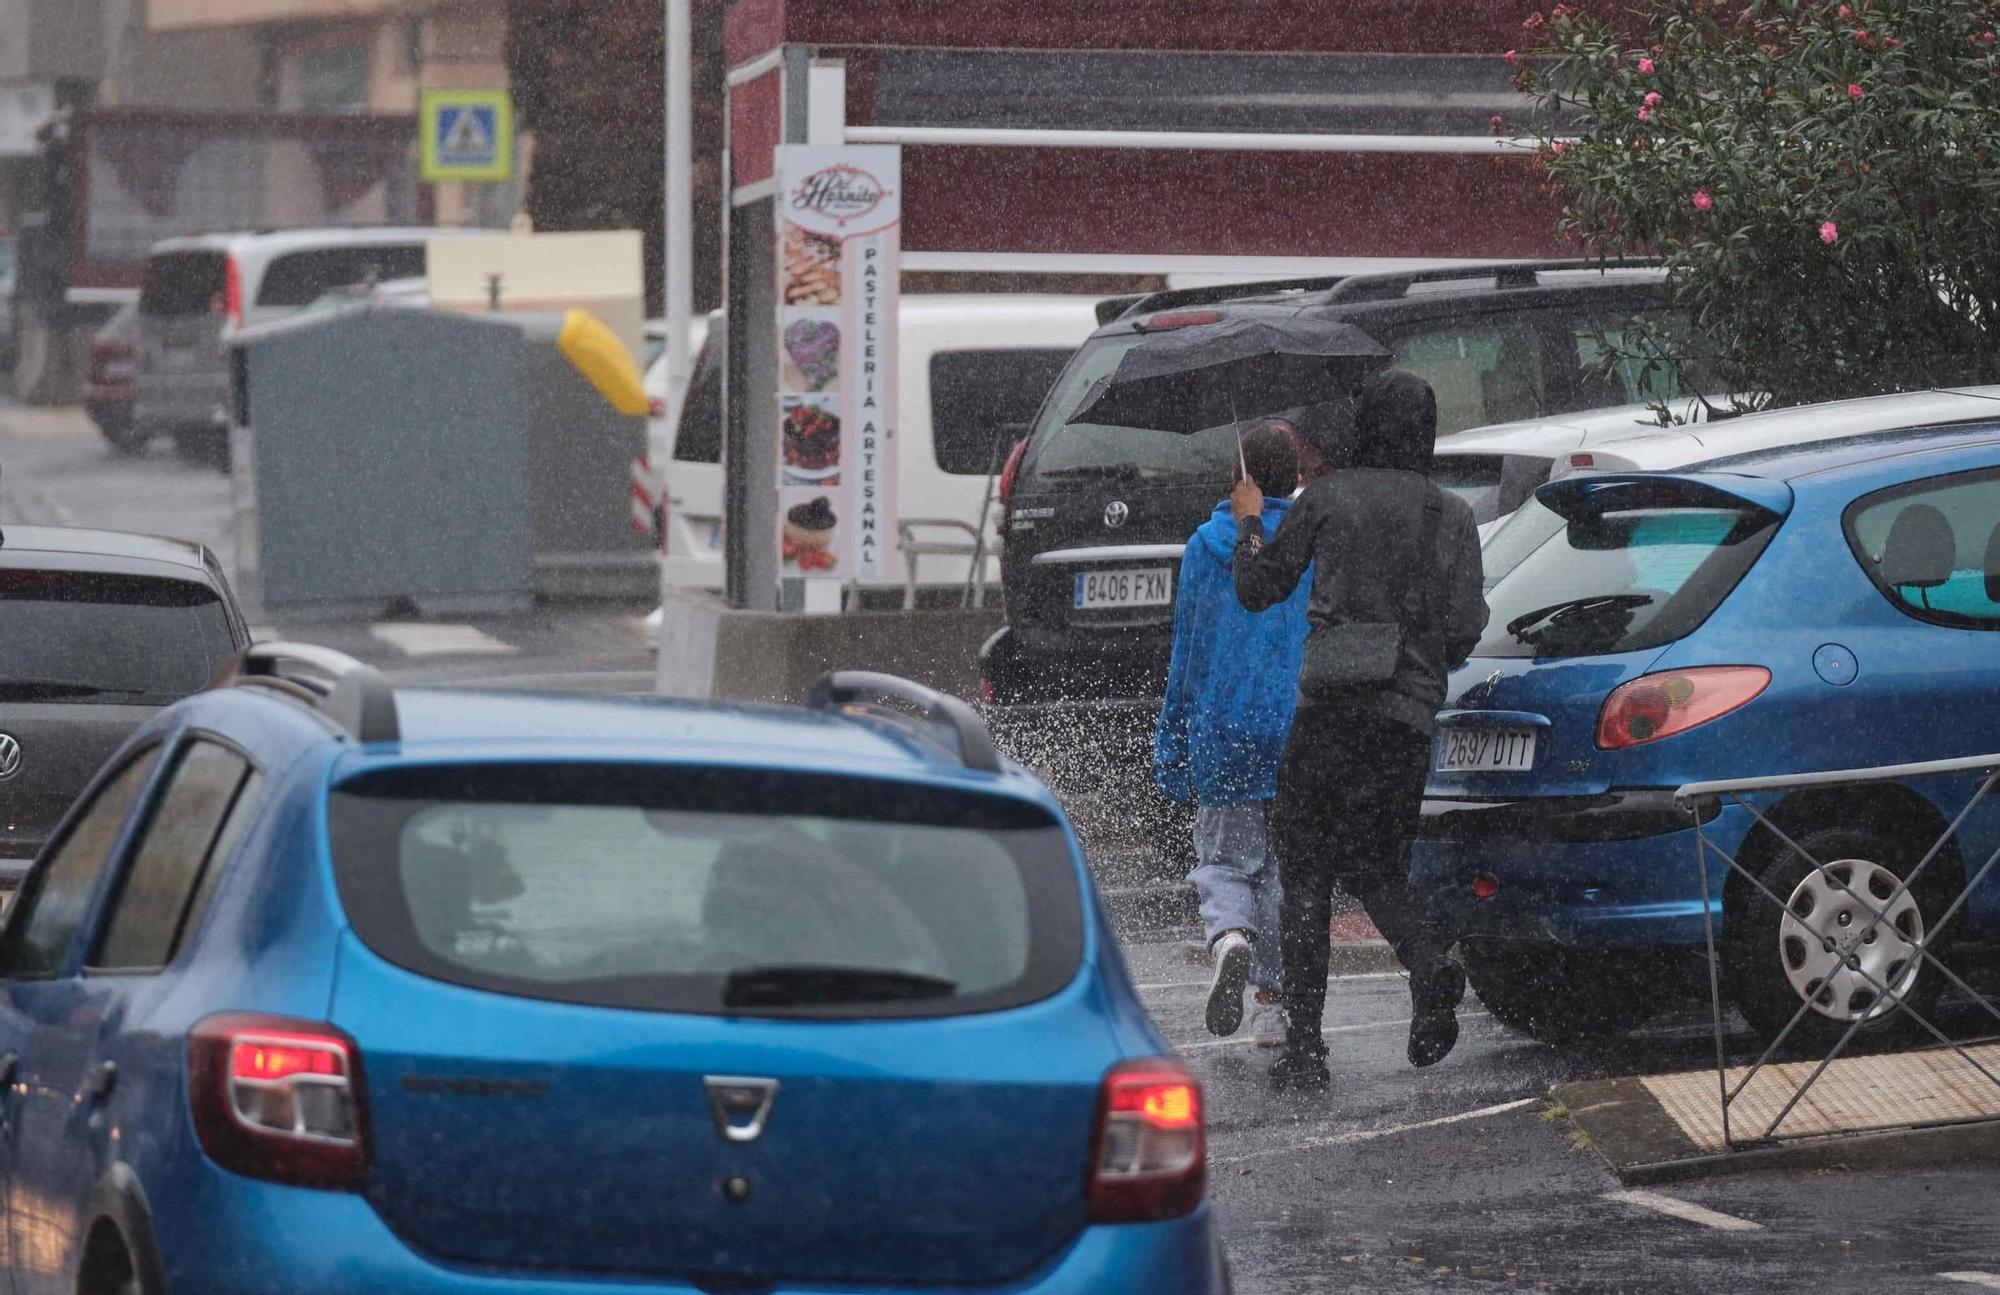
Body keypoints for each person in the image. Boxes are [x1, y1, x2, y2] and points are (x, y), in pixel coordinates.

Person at [1230, 370, 1489, 1089]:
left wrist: (1249, 518)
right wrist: (1416, 658)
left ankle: (1306, 1050)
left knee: (1306, 871)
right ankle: (1430, 959)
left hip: (1329, 712)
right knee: (1378, 864)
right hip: (1403, 720)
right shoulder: (1452, 514)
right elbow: (1466, 628)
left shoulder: (1328, 497)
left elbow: (1259, 588)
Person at [1153, 419, 1311, 1045]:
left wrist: (1173, 741)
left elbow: (1186, 651)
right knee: (1280, 869)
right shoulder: (1307, 543)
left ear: (1234, 480)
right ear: (1296, 480)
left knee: (1223, 860)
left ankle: (1229, 937)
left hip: (1223, 728)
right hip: (1295, 724)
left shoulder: (1203, 545)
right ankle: (1273, 1004)